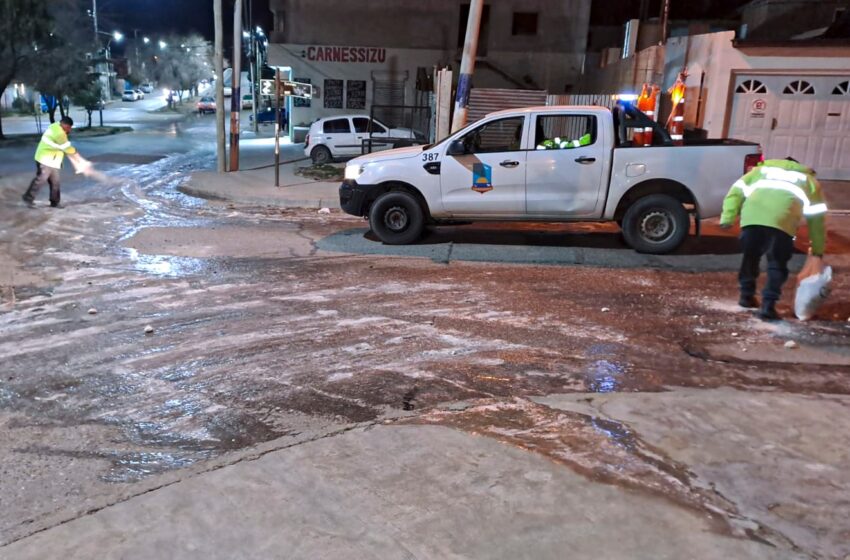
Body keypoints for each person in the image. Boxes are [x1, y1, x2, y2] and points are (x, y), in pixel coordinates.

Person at [720, 157, 828, 320]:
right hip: (782, 224)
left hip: (752, 219)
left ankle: (746, 296)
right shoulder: (809, 181)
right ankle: (768, 306)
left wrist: (727, 218)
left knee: (750, 257)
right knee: (777, 264)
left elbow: (735, 192)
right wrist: (818, 250)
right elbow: (817, 220)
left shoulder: (759, 172)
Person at [22, 116, 79, 209]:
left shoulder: (55, 126)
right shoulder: (59, 133)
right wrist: (76, 154)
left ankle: (55, 202)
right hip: (45, 159)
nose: (69, 129)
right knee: (41, 180)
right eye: (68, 127)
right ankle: (28, 198)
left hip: (52, 160)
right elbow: (67, 148)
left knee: (55, 182)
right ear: (63, 124)